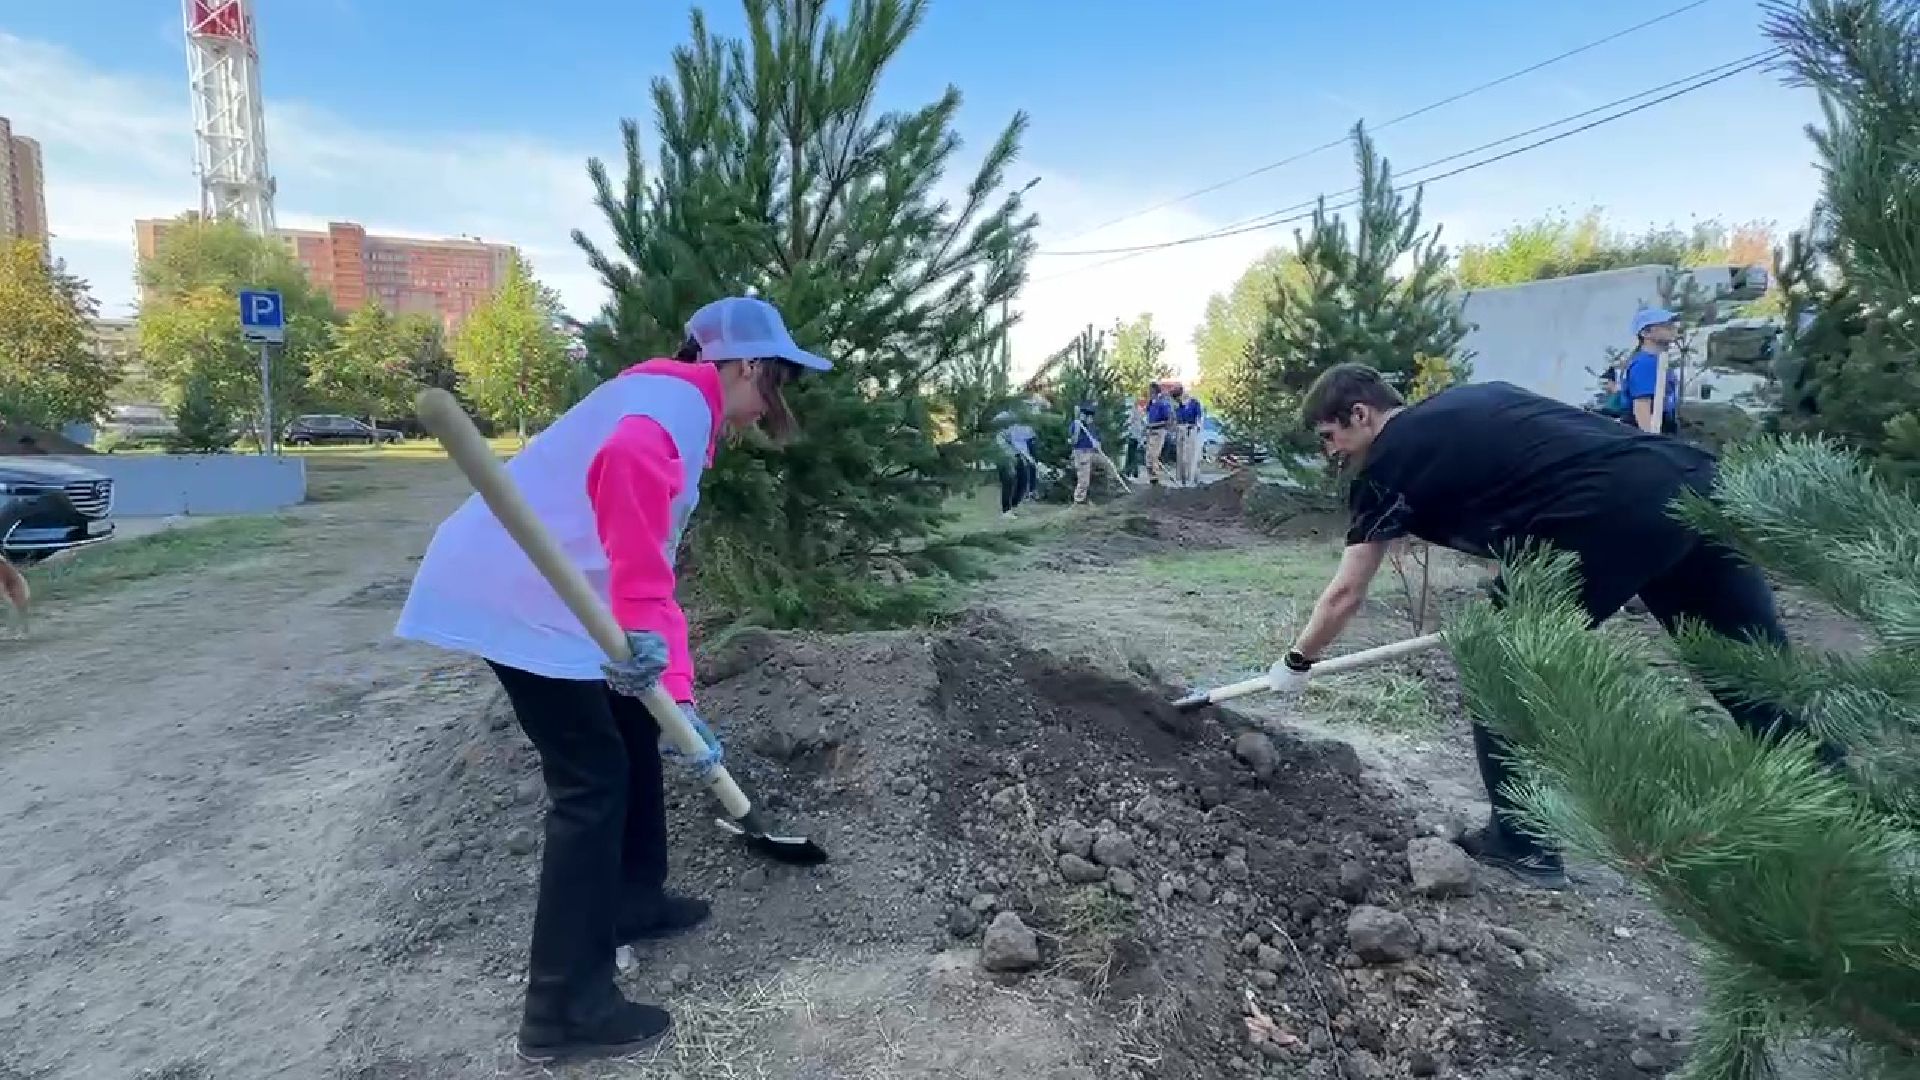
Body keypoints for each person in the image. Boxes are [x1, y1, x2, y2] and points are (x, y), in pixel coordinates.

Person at [394, 296, 832, 1063]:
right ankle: (564, 1009)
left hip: (553, 592)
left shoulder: (665, 396)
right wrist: (634, 623)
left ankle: (634, 899)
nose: (770, 406)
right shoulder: (669, 409)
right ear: (748, 366)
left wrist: (681, 700)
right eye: (777, 383)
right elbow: (626, 476)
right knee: (590, 783)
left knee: (635, 727)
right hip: (519, 595)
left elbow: (647, 561)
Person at [1268, 362, 1820, 889]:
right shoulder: (1474, 400)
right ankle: (1838, 810)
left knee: (1499, 669)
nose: (1330, 452)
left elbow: (1346, 592)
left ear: (1361, 415)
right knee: (1749, 671)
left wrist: (1298, 661)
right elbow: (1540, 478)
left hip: (1609, 514)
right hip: (1694, 481)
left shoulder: (1388, 464)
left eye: (1328, 436)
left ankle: (1523, 842)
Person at [1622, 308, 1682, 435]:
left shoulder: (1657, 361)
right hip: (1648, 431)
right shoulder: (1645, 364)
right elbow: (1642, 407)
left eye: (1673, 325)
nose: (1673, 329)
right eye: (1666, 326)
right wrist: (1653, 442)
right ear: (1645, 333)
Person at [1069, 402, 1117, 505]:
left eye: (1091, 416)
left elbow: (1096, 439)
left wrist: (1097, 443)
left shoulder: (1091, 427)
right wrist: (1077, 431)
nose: (1091, 418)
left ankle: (1113, 488)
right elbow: (1073, 442)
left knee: (1108, 465)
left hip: (1092, 452)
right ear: (1084, 415)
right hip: (1081, 453)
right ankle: (1079, 500)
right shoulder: (1076, 425)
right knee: (1084, 479)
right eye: (1089, 415)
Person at [994, 412, 1038, 518]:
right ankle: (1006, 510)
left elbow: (1021, 445)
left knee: (1023, 480)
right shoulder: (1001, 424)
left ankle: (1013, 506)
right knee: (1008, 482)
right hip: (1003, 457)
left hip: (1016, 456)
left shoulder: (1017, 427)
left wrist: (1028, 458)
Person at [1143, 382, 1173, 486]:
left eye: (1150, 390)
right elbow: (1147, 414)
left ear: (1154, 391)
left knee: (1154, 455)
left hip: (1159, 431)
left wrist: (1154, 424)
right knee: (1148, 456)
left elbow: (1168, 421)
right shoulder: (1151, 403)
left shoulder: (1162, 403)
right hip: (1150, 431)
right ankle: (1151, 479)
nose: (1148, 392)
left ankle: (1156, 479)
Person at [1174, 388, 1204, 487]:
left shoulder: (1194, 403)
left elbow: (1199, 417)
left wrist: (1197, 425)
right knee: (1182, 457)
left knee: (1192, 455)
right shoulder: (1179, 407)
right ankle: (1183, 479)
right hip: (1182, 431)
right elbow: (1178, 420)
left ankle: (1193, 478)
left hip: (1192, 431)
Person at [1123, 398, 1147, 480]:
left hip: (1133, 435)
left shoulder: (1132, 412)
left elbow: (1129, 423)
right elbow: (1143, 424)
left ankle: (1130, 471)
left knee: (1131, 454)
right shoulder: (1140, 412)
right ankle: (1134, 472)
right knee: (1134, 454)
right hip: (1137, 435)